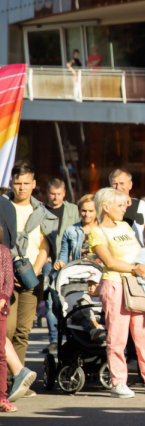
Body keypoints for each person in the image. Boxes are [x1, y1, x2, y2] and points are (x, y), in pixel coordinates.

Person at [89, 187, 145, 398]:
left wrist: (144, 267)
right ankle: (118, 382)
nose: (124, 209)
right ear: (105, 207)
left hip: (136, 283)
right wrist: (135, 268)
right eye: (120, 205)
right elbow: (110, 262)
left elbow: (138, 251)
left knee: (144, 334)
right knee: (117, 337)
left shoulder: (124, 226)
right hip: (115, 285)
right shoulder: (97, 232)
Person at [6, 163, 58, 364]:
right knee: (6, 330)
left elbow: (45, 248)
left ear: (34, 184)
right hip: (5, 276)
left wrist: (32, 274)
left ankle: (17, 379)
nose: (22, 187)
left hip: (31, 277)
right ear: (11, 183)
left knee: (22, 331)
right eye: (18, 183)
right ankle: (5, 378)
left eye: (26, 183)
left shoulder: (42, 213)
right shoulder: (3, 208)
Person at [42, 177, 80, 353]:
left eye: (59, 194)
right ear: (47, 193)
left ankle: (73, 339)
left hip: (71, 261)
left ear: (64, 193)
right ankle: (54, 340)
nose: (55, 197)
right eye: (52, 194)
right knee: (51, 301)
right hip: (49, 262)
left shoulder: (73, 209)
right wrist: (45, 256)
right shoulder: (40, 211)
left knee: (74, 300)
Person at [56, 194, 99, 268]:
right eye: (84, 211)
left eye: (91, 211)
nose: (87, 214)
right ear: (79, 210)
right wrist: (60, 263)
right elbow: (63, 257)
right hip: (78, 271)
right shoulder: (70, 230)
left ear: (97, 211)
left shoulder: (104, 229)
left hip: (100, 271)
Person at [109, 169, 145, 245]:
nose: (118, 187)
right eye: (114, 184)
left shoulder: (141, 206)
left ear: (130, 185)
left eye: (122, 183)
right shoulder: (106, 207)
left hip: (138, 251)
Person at [0, 232, 16, 412]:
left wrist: (3, 298)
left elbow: (8, 280)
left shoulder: (3, 251)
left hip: (0, 305)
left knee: (0, 354)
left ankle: (1, 397)